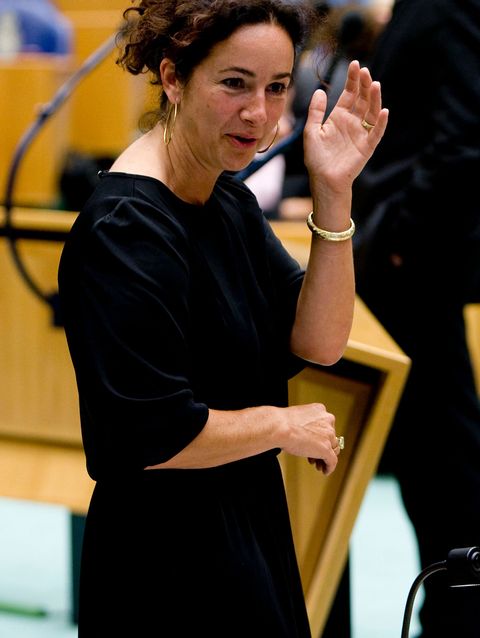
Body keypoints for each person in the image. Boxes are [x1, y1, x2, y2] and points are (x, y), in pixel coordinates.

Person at [57, 0, 387, 634]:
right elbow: (151, 434)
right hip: (163, 562)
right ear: (174, 76)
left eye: (277, 89)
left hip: (244, 524)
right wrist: (282, 425)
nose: (258, 114)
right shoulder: (126, 229)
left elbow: (320, 340)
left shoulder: (226, 201)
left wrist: (334, 194)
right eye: (234, 84)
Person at [347, 0, 480, 635]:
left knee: (450, 469)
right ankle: (454, 620)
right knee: (433, 465)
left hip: (415, 263)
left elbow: (461, 142)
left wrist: (394, 238)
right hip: (404, 259)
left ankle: (464, 625)